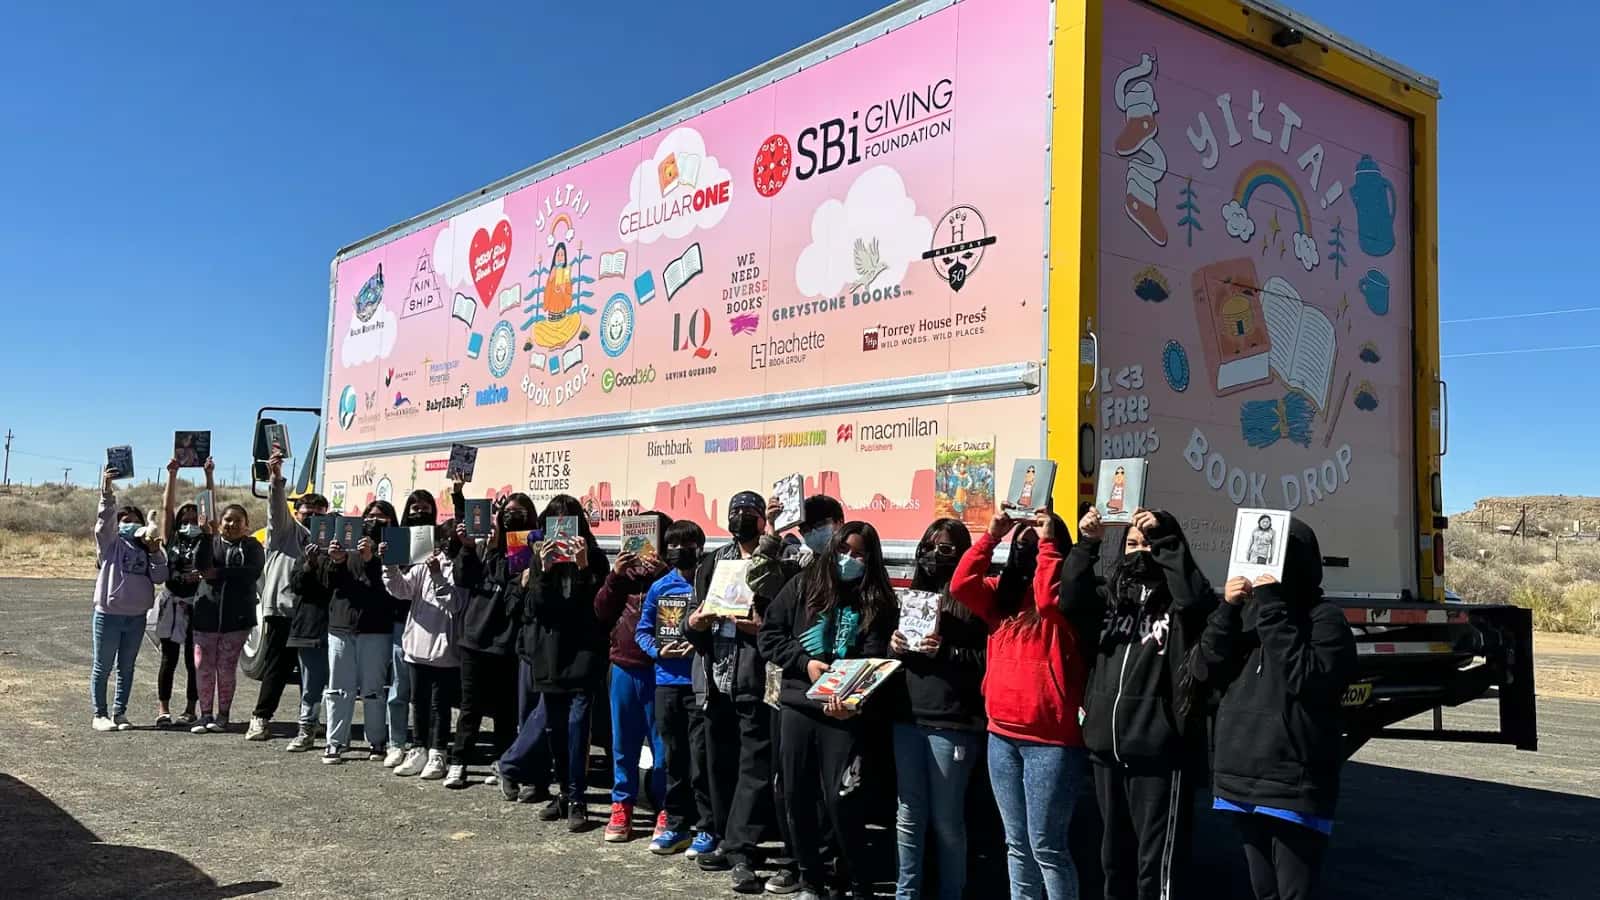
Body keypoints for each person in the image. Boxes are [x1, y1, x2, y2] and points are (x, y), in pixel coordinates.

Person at [1192, 519, 1356, 900]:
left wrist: (1271, 608)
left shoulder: (1325, 619)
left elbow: (1308, 679)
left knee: (1293, 891)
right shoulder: (1248, 614)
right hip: (1242, 778)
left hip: (1292, 785)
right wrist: (1227, 610)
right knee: (1263, 890)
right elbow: (1202, 670)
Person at [1062, 506, 1215, 900]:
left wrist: (1165, 539)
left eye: (1149, 545)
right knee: (1113, 862)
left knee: (1156, 869)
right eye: (1132, 544)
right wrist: (1087, 544)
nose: (1140, 552)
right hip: (1107, 749)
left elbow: (1195, 600)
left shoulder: (1180, 603)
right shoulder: (1112, 598)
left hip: (1159, 754)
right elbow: (1070, 600)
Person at [951, 508, 1087, 900]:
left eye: (1038, 542)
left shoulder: (1065, 600)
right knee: (1017, 843)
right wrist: (991, 536)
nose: (1029, 548)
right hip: (1001, 735)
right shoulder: (1000, 596)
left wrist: (1048, 544)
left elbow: (1047, 601)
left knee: (1047, 846)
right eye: (1022, 542)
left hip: (1051, 741)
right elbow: (961, 585)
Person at [758, 522, 898, 900]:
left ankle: (857, 881)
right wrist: (804, 663)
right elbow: (769, 635)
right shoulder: (803, 585)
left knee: (842, 800)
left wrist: (854, 702)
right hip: (799, 705)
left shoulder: (877, 600)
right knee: (795, 795)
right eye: (843, 550)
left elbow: (877, 658)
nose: (849, 559)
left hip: (846, 715)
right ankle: (810, 878)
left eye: (859, 554)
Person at [498, 495, 609, 831]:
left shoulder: (594, 557)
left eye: (569, 523)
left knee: (577, 728)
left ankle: (577, 798)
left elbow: (599, 607)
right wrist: (543, 572)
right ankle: (563, 792)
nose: (562, 533)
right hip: (549, 656)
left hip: (583, 655)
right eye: (555, 524)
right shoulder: (537, 558)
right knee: (554, 730)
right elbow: (533, 609)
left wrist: (584, 567)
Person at [891, 518, 985, 900]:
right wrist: (894, 646)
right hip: (908, 717)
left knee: (947, 820)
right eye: (927, 548)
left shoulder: (973, 598)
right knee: (908, 816)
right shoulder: (913, 595)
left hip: (953, 723)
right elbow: (890, 658)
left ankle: (951, 892)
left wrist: (947, 651)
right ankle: (906, 893)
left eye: (945, 549)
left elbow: (986, 659)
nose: (933, 555)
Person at [684, 490, 776, 879]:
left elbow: (783, 620)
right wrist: (695, 622)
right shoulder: (713, 561)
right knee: (718, 764)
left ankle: (742, 848)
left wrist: (761, 628)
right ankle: (725, 837)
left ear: (763, 519)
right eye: (734, 510)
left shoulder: (779, 559)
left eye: (749, 511)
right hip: (715, 680)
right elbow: (692, 615)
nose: (740, 516)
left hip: (755, 679)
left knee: (754, 767)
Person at [593, 511, 673, 843]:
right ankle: (622, 804)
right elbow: (601, 611)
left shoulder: (672, 574)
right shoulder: (623, 576)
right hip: (623, 667)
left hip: (661, 670)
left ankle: (666, 807)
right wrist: (615, 575)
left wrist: (664, 574)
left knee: (663, 745)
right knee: (622, 743)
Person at [448, 493, 534, 788]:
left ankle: (502, 762)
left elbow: (513, 589)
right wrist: (468, 547)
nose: (511, 517)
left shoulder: (529, 549)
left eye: (519, 512)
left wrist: (508, 554)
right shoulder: (484, 546)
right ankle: (459, 761)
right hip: (474, 639)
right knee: (470, 707)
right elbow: (463, 578)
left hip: (507, 643)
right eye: (506, 512)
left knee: (505, 710)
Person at [246, 451, 329, 742]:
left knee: (312, 671)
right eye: (307, 513)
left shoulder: (327, 539)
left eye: (319, 514)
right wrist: (276, 477)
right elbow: (276, 507)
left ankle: (310, 720)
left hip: (313, 613)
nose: (312, 518)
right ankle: (260, 718)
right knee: (277, 667)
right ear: (297, 513)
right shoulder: (285, 531)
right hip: (283, 609)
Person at [636, 519, 706, 856]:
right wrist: (658, 651)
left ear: (699, 548)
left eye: (685, 545)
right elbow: (643, 631)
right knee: (673, 758)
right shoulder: (659, 587)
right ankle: (676, 825)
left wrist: (699, 643)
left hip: (700, 683)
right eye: (672, 545)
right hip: (666, 682)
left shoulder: (707, 586)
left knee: (702, 759)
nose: (678, 550)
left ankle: (707, 828)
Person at [318, 499, 401, 762]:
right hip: (341, 625)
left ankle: (377, 741)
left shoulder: (394, 546)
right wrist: (336, 560)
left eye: (381, 517)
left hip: (377, 627)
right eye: (369, 516)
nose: (373, 521)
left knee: (373, 689)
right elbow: (328, 585)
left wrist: (371, 560)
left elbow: (392, 591)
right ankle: (335, 742)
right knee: (338, 689)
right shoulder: (347, 541)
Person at [90, 466, 169, 732]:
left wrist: (155, 552)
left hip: (136, 616)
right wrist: (107, 490)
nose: (129, 523)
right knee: (103, 666)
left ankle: (119, 713)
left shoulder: (148, 548)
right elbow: (104, 522)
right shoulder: (110, 544)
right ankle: (100, 714)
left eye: (134, 520)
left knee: (127, 667)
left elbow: (160, 577)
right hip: (109, 614)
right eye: (124, 519)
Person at [382, 521, 462, 779]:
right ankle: (419, 748)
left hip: (445, 649)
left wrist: (438, 575)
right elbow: (401, 590)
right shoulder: (422, 566)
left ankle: (438, 751)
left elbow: (454, 604)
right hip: (417, 646)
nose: (444, 546)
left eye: (449, 541)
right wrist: (389, 565)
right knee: (418, 701)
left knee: (440, 704)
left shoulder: (460, 567)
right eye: (442, 540)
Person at [378, 488, 440, 766]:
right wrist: (388, 560)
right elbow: (394, 584)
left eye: (425, 508)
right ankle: (396, 742)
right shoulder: (397, 537)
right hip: (402, 621)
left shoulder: (440, 539)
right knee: (399, 688)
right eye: (415, 508)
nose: (420, 512)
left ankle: (428, 743)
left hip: (434, 623)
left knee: (428, 694)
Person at [191, 504, 264, 734]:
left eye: (237, 521)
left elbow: (253, 571)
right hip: (206, 615)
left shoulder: (252, 546)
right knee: (202, 665)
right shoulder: (210, 541)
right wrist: (206, 536)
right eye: (227, 520)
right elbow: (200, 565)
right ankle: (205, 714)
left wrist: (220, 573)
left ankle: (223, 715)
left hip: (237, 619)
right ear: (219, 522)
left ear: (246, 525)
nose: (231, 525)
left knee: (226, 668)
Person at [153, 457, 213, 728]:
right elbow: (166, 507)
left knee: (193, 659)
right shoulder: (171, 538)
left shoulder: (206, 537)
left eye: (193, 515)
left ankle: (190, 708)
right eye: (184, 516)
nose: (189, 519)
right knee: (169, 658)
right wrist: (172, 475)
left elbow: (210, 505)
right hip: (173, 602)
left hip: (197, 604)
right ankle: (163, 709)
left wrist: (208, 475)